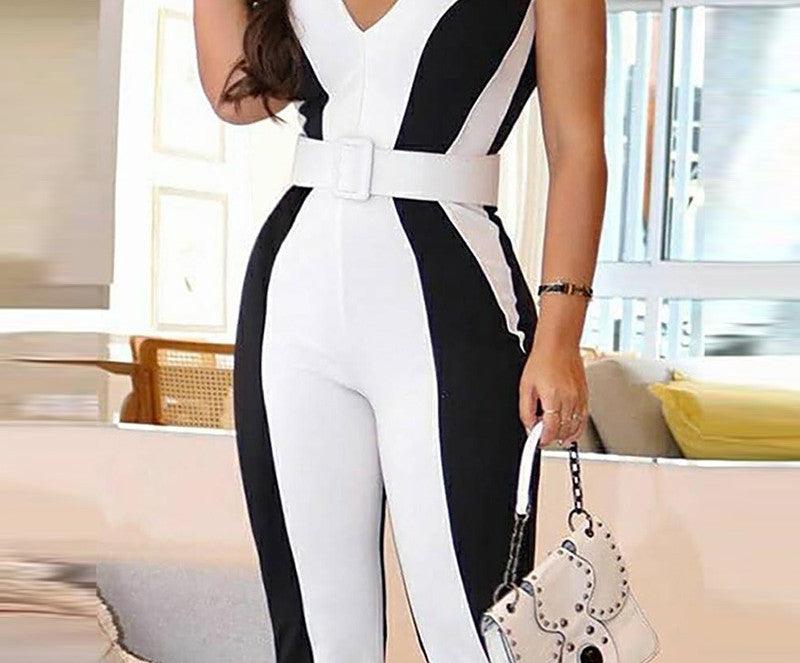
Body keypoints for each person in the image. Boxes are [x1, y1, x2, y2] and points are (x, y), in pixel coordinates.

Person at [194, 0, 606, 660]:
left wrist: (560, 336)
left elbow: (577, 147)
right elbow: (237, 95)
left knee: (475, 629)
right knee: (319, 632)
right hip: (293, 299)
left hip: (453, 302)